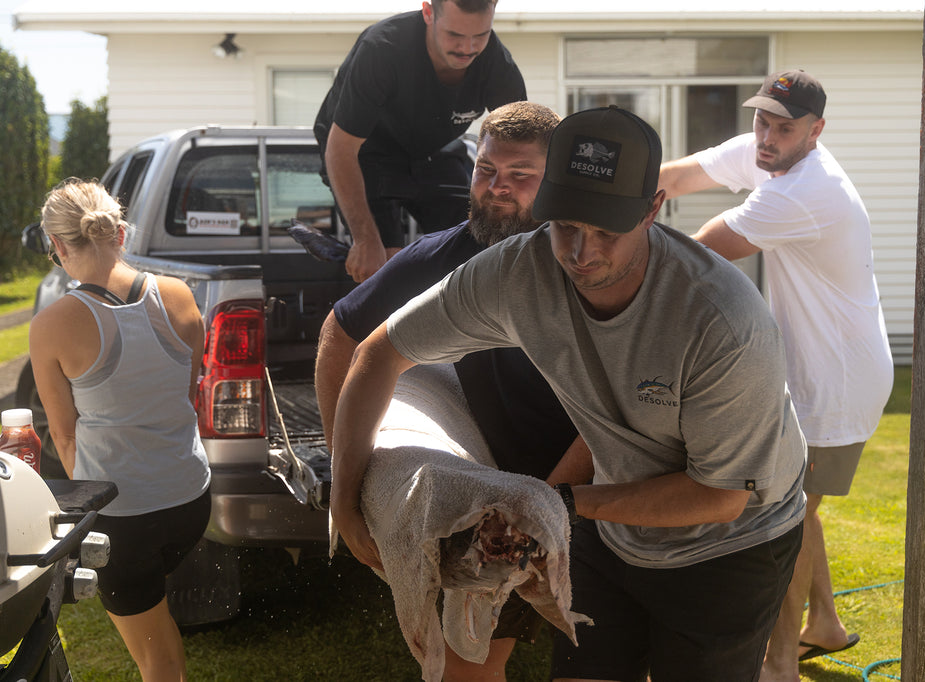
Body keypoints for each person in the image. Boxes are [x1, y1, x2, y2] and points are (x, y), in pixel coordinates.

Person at [330, 105, 808, 681]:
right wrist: (345, 497)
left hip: (731, 545)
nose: (581, 254)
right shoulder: (516, 273)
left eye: (606, 230)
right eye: (564, 225)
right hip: (610, 526)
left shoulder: (721, 322)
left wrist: (558, 504)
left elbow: (720, 495)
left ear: (654, 208)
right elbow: (377, 353)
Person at [315, 101, 589, 681]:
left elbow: (616, 414)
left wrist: (553, 502)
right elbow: (341, 336)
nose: (497, 190)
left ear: (557, 180)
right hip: (502, 497)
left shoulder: (589, 263)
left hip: (610, 496)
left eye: (521, 177)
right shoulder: (443, 258)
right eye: (486, 171)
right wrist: (346, 479)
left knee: (602, 663)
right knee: (470, 667)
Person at [658, 69, 894, 680]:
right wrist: (624, 199)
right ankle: (826, 626)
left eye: (783, 127)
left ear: (816, 131)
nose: (766, 136)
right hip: (817, 372)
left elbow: (699, 253)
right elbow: (676, 177)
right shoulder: (769, 152)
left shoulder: (807, 190)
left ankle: (781, 663)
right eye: (761, 119)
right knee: (799, 507)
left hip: (834, 386)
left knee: (781, 519)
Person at [30, 179, 211, 682]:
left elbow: (63, 439)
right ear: (121, 233)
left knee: (157, 663)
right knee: (156, 622)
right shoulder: (178, 295)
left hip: (123, 518)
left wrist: (95, 520)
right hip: (191, 501)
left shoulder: (53, 324)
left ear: (60, 247)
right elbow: (186, 397)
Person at [313, 0, 527, 283]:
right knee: (384, 264)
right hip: (368, 153)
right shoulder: (382, 50)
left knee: (476, 245)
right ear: (428, 12)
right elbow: (341, 150)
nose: (467, 48)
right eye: (454, 35)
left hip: (434, 150)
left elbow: (528, 148)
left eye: (480, 36)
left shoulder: (497, 65)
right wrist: (365, 240)